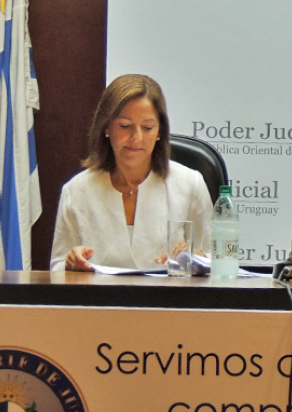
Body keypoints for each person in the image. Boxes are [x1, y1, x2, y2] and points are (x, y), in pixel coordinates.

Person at [50, 74, 212, 271]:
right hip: (99, 291)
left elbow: (217, 261)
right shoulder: (76, 190)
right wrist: (71, 263)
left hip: (169, 291)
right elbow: (57, 268)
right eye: (125, 126)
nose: (137, 138)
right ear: (106, 127)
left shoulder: (190, 184)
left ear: (160, 132)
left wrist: (199, 258)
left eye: (148, 127)